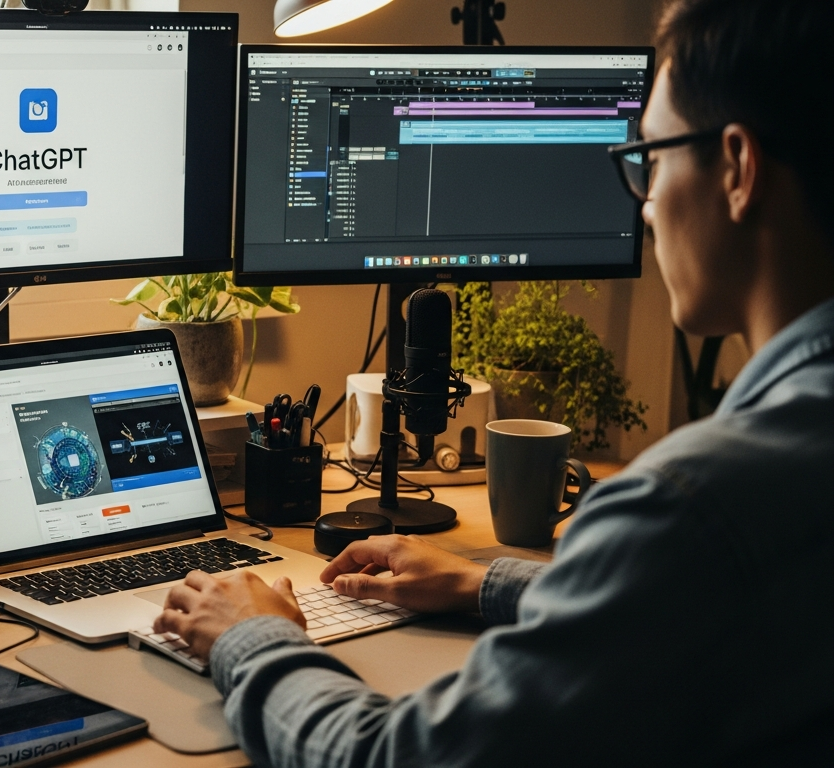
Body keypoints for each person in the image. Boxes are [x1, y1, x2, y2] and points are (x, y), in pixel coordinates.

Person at [152, 0, 834, 764]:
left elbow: (390, 758)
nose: (644, 206)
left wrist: (251, 635)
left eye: (653, 156)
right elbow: (684, 603)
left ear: (738, 168)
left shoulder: (692, 505)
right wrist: (487, 584)